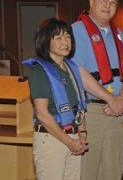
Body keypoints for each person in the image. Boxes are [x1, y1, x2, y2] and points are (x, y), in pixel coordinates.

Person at [71, 0, 123, 180]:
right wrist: (110, 99)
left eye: (113, 2)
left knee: (113, 170)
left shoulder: (118, 34)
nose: (107, 5)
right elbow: (79, 72)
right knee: (88, 171)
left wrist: (121, 99)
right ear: (91, 1)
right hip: (91, 113)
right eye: (102, 0)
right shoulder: (77, 30)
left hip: (115, 112)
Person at [23, 18, 88, 180]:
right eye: (58, 37)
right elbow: (42, 114)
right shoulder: (40, 71)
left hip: (73, 136)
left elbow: (78, 106)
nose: (65, 42)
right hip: (52, 140)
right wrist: (69, 141)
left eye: (67, 36)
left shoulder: (71, 67)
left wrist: (82, 135)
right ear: (46, 41)